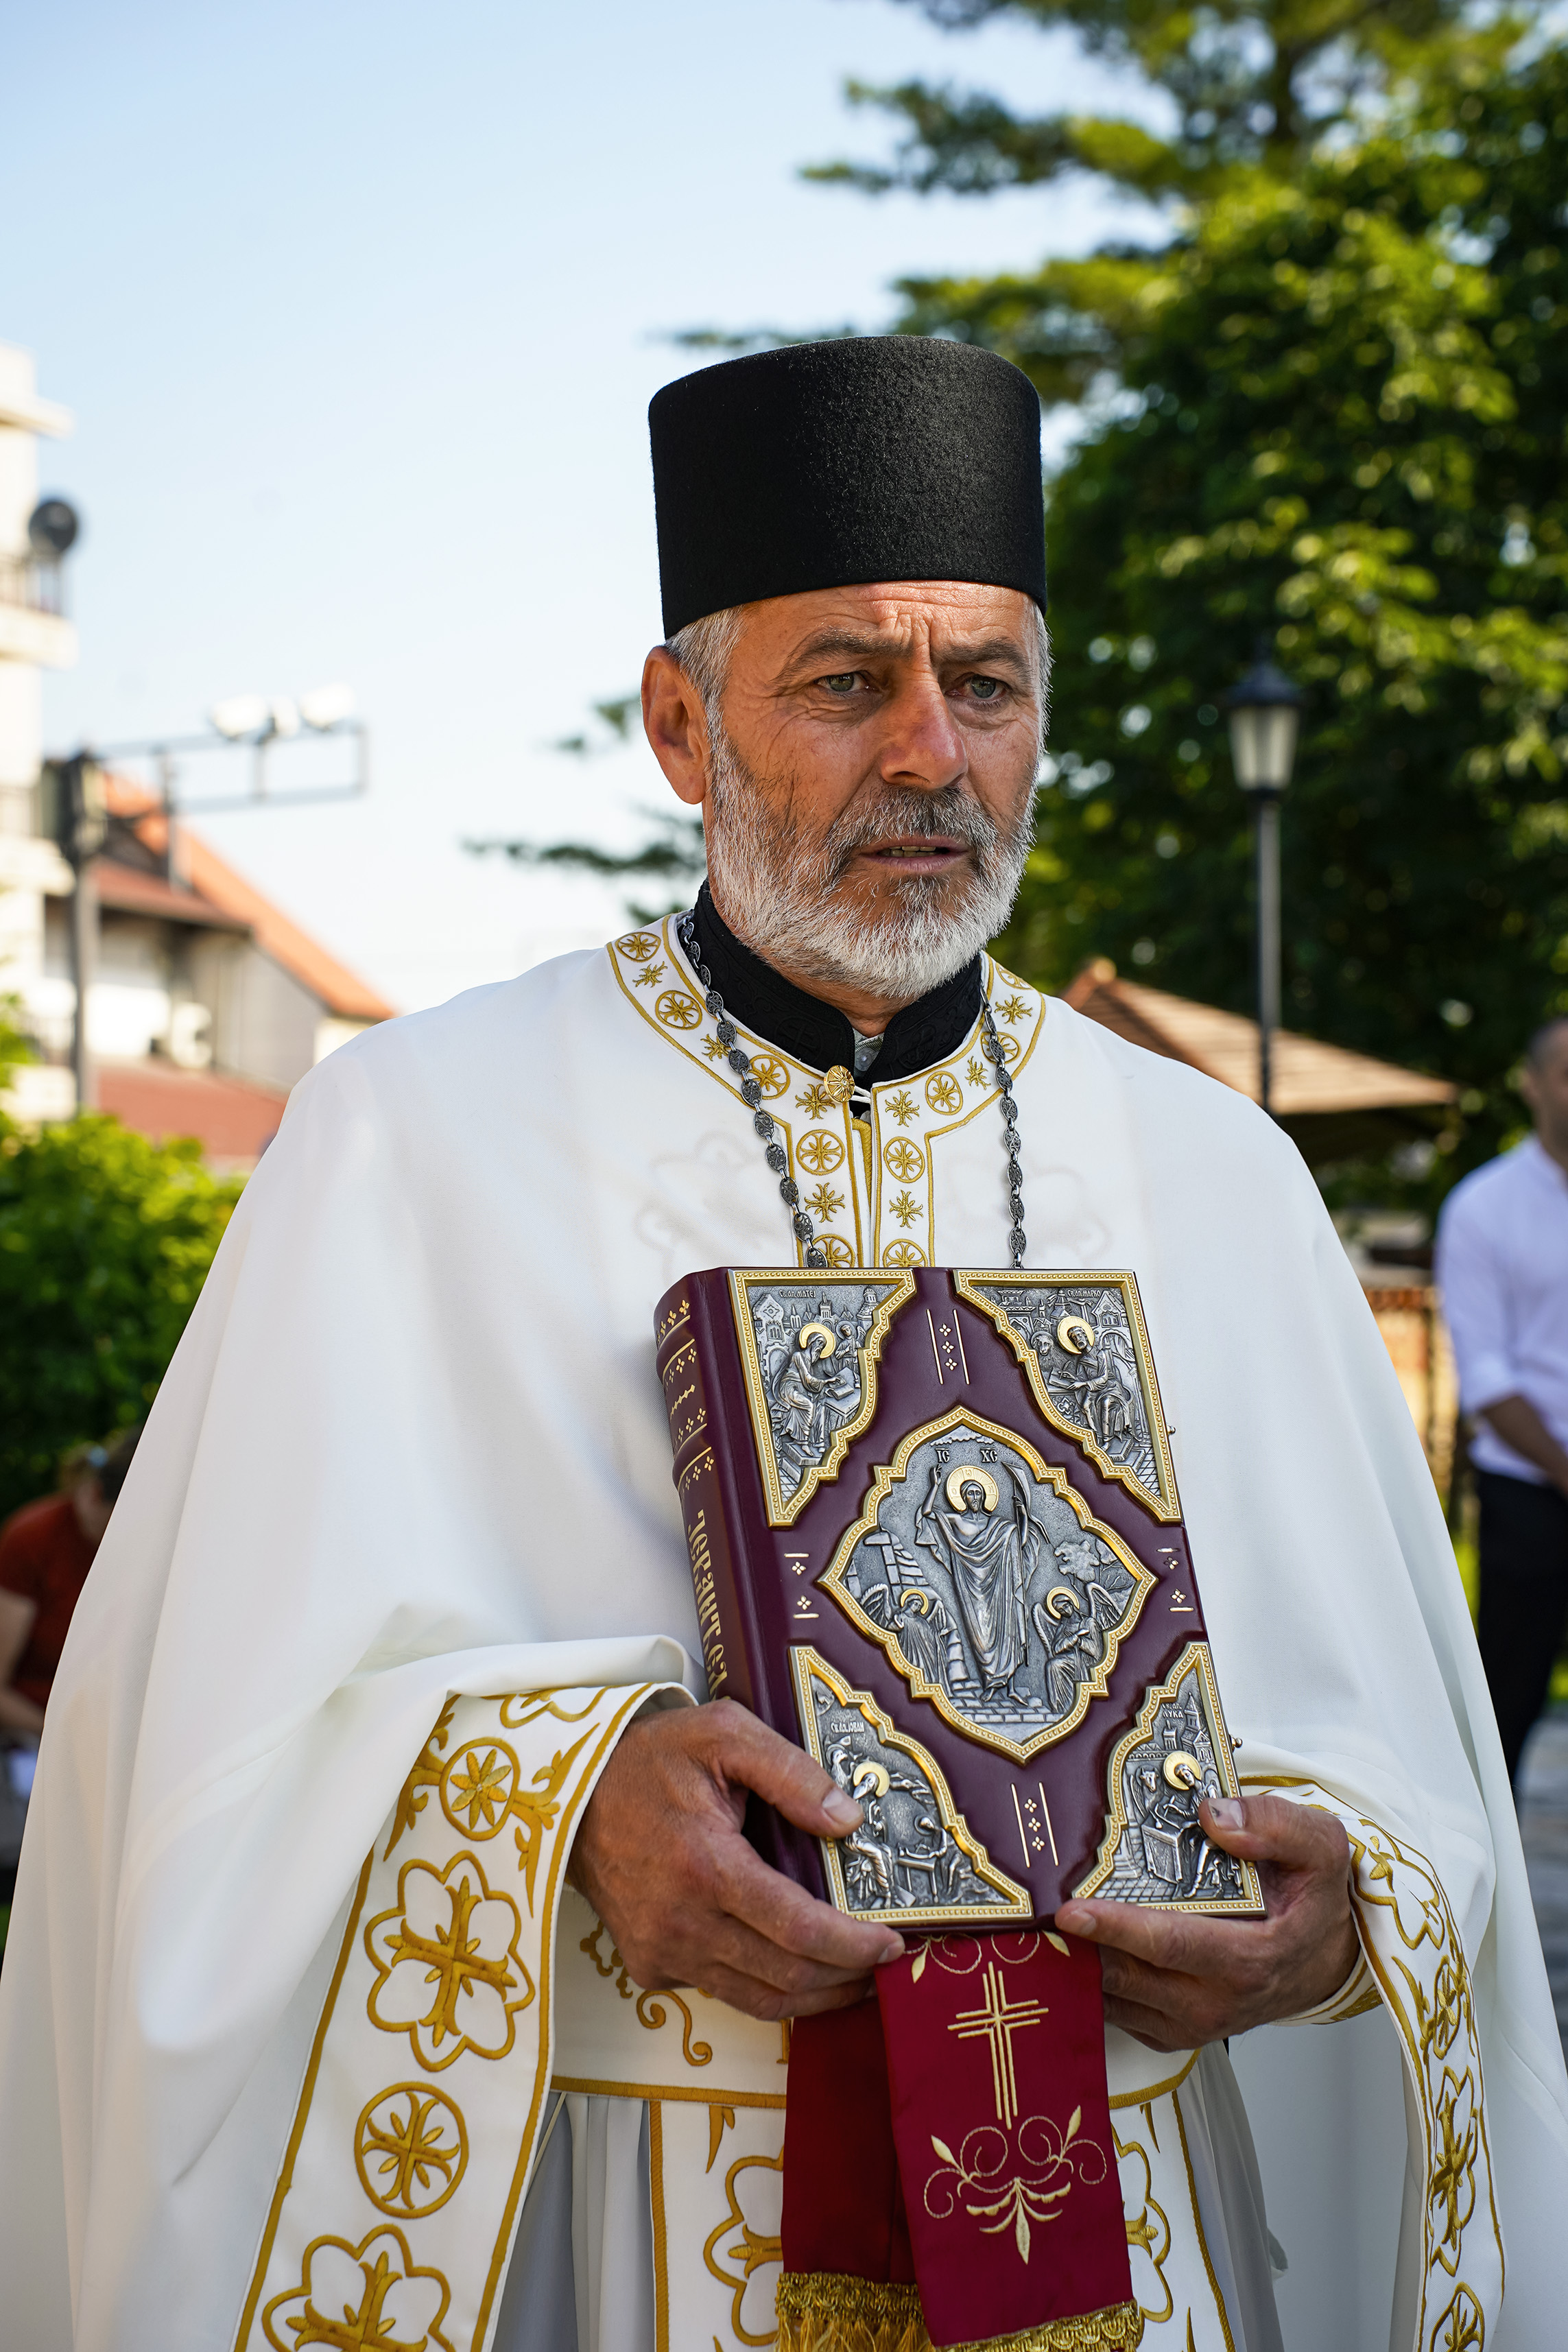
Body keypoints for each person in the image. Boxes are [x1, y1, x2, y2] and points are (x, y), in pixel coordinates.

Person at [0, 336, 1563, 2352]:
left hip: (1127, 2209)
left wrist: (1342, 1910)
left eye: (985, 685)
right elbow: (193, 1770)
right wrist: (564, 1806)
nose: (930, 752)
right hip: (626, 2233)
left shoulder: (1220, 1176)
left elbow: (1414, 1775)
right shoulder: (411, 1138)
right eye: (843, 682)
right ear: (679, 723)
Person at [1436, 1014, 1568, 1786]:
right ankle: (1496, 1855)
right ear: (1532, 1084)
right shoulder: (1484, 1207)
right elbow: (1486, 1377)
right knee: (1508, 1705)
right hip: (1527, 1488)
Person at [0, 1427, 142, 1735]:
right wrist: (62, 1741)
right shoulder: (32, 1539)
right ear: (93, 1495)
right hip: (36, 1732)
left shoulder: (149, 1549)